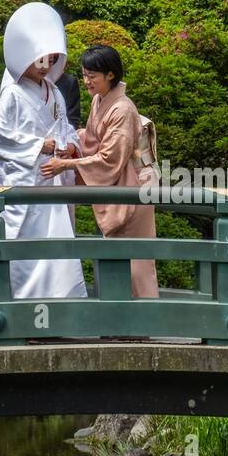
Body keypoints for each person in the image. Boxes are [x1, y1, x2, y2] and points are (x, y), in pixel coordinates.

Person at [41, 45, 159, 298]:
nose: (86, 81)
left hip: (134, 182)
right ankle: (119, 318)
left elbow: (109, 158)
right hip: (120, 180)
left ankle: (142, 322)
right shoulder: (99, 100)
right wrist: (71, 147)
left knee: (135, 259)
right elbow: (92, 141)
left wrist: (68, 164)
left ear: (110, 75)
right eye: (84, 75)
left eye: (92, 76)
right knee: (115, 256)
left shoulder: (123, 108)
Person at [0, 2, 87, 299]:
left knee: (58, 248)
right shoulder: (13, 96)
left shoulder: (54, 91)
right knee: (27, 250)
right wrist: (36, 146)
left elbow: (65, 127)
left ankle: (62, 309)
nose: (45, 65)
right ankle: (26, 311)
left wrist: (70, 146)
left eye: (50, 59)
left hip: (52, 181)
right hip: (27, 182)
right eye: (41, 58)